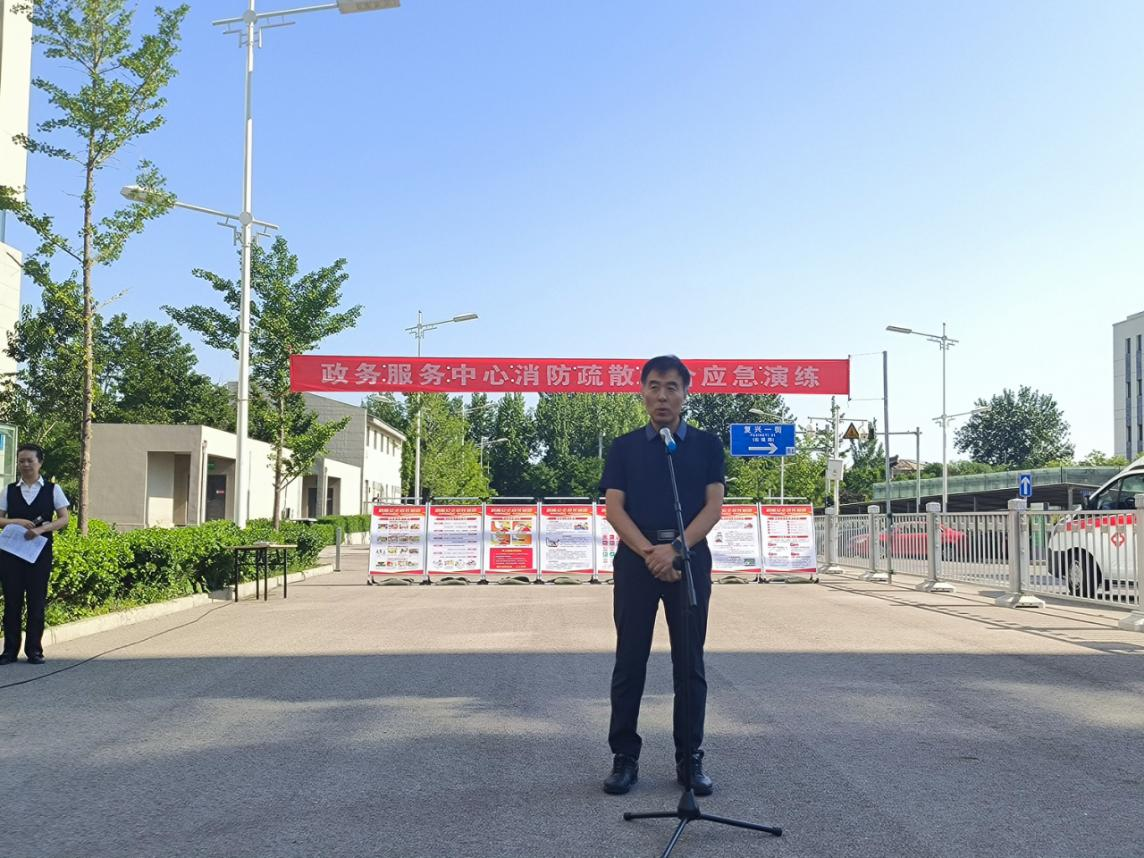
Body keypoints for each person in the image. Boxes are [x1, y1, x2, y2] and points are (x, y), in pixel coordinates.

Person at [598, 355, 725, 796]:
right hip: (638, 560)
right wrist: (651, 553)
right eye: (654, 386)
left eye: (672, 387)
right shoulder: (625, 447)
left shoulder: (707, 445)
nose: (662, 396)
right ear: (642, 392)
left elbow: (713, 507)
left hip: (688, 559)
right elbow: (614, 508)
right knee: (630, 660)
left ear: (686, 394)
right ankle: (624, 757)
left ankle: (689, 758)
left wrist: (676, 550)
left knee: (689, 664)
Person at [0, 443, 70, 665]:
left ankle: (34, 650)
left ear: (40, 462)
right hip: (11, 554)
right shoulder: (9, 490)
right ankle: (9, 651)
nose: (25, 465)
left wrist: (41, 530)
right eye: (21, 461)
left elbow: (64, 518)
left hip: (39, 554)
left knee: (36, 601)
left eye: (30, 460)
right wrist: (16, 521)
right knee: (12, 601)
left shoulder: (52, 489)